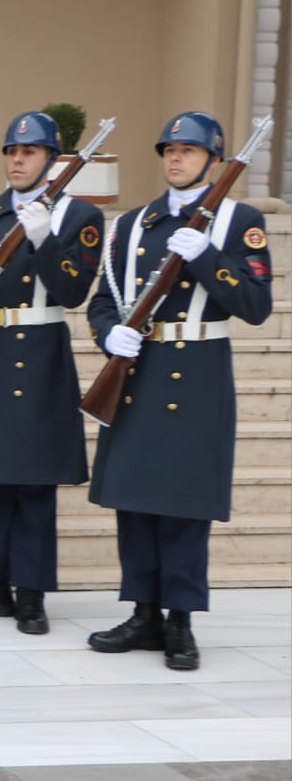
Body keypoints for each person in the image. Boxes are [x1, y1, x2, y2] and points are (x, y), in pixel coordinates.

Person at [85, 112, 273, 671]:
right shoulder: (134, 224)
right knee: (136, 500)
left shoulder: (240, 220)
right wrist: (107, 333)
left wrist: (208, 257)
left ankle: (181, 621)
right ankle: (143, 613)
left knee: (185, 504)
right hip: (141, 369)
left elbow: (257, 307)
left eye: (189, 150)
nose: (175, 157)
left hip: (197, 374)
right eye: (170, 148)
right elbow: (103, 299)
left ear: (213, 160)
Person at [0, 111, 104, 635]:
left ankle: (29, 592)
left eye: (28, 152)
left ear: (52, 160)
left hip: (39, 351)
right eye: (11, 152)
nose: (17, 160)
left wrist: (45, 239)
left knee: (32, 483)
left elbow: (74, 293)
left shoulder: (80, 216)